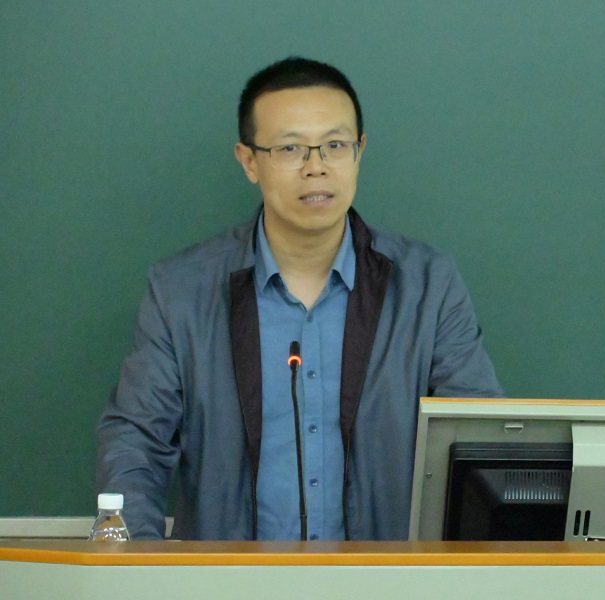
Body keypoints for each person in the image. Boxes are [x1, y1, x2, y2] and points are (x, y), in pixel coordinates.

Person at [95, 57, 503, 541]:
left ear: (360, 151)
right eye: (290, 148)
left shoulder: (427, 285)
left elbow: (479, 443)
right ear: (249, 161)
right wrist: (138, 565)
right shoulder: (181, 291)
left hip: (386, 574)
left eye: (335, 145)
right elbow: (136, 442)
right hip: (227, 577)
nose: (316, 168)